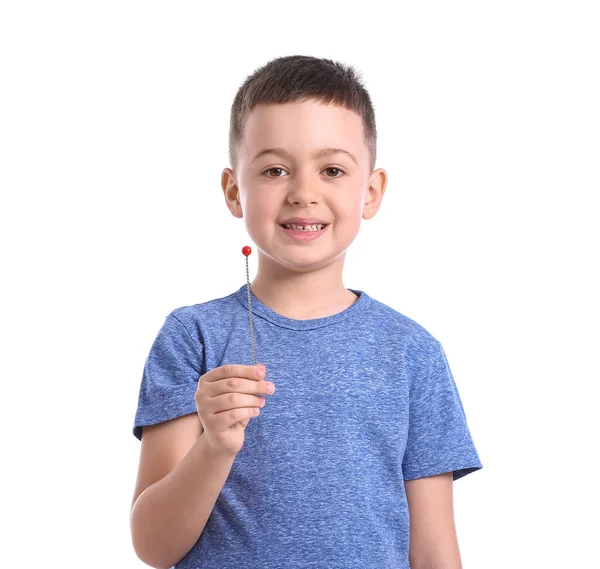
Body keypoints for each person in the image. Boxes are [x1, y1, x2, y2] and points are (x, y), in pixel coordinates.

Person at [130, 54, 483, 569]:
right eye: (275, 170)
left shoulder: (412, 353)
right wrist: (216, 447)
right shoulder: (193, 337)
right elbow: (153, 547)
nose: (303, 193)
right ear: (234, 192)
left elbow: (433, 550)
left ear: (371, 191)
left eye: (332, 170)